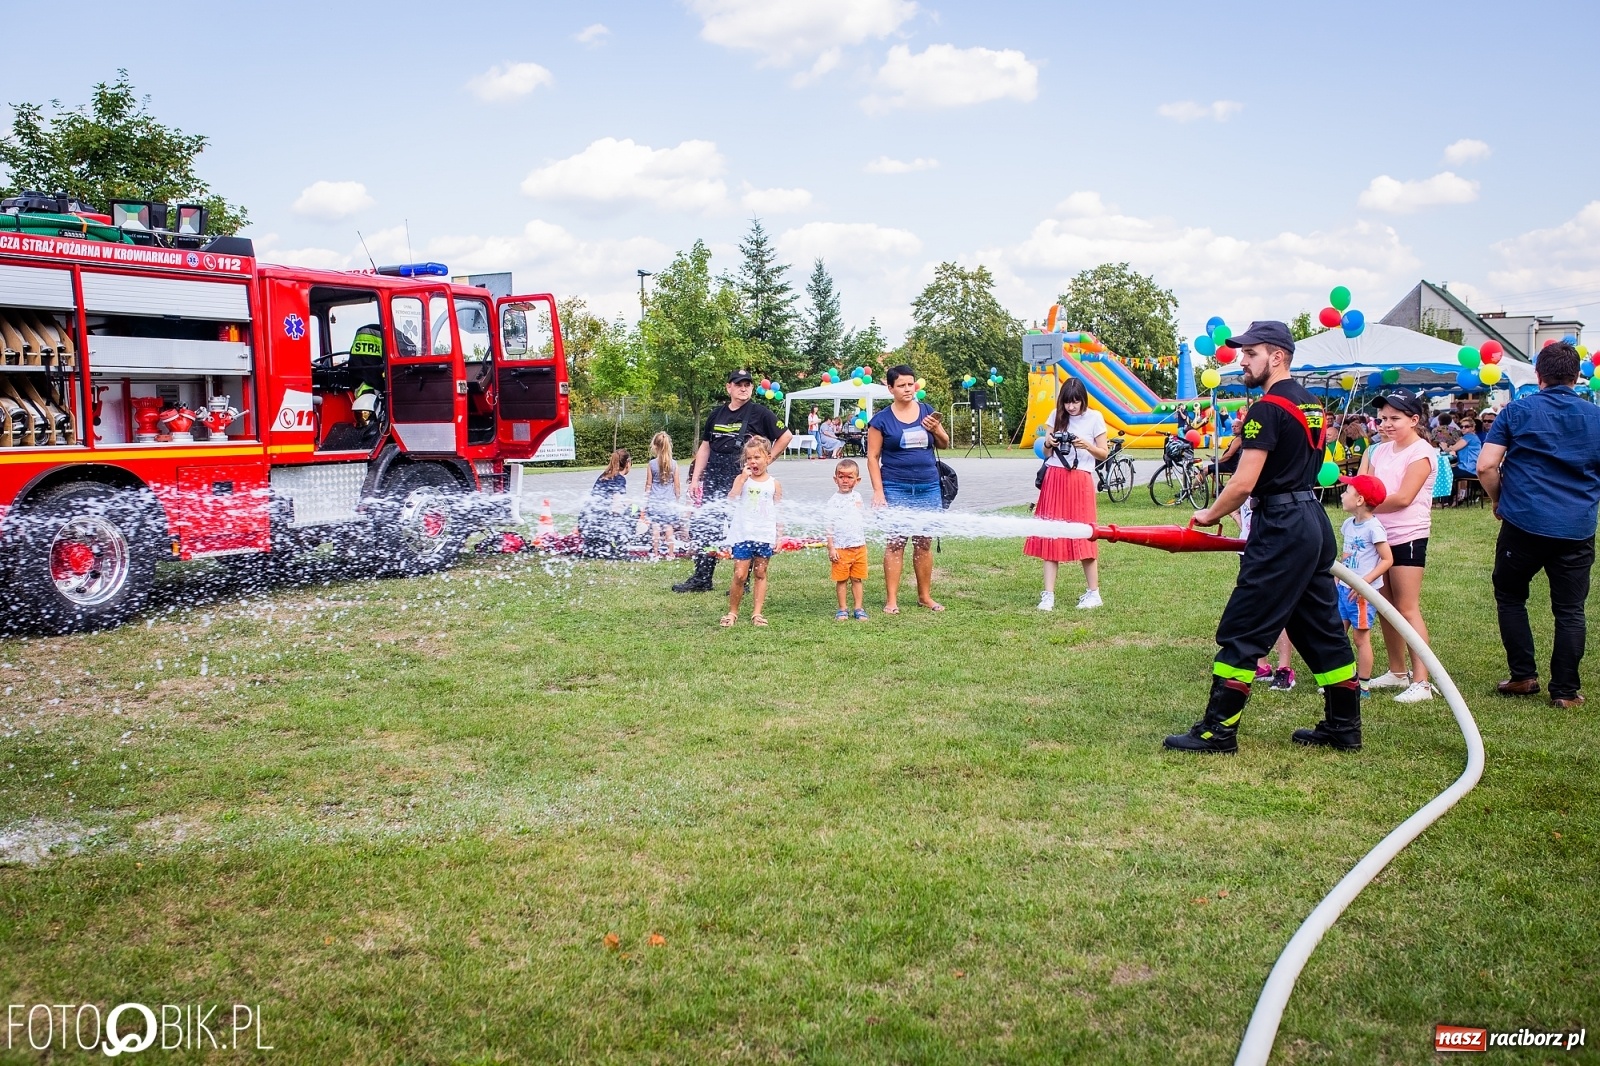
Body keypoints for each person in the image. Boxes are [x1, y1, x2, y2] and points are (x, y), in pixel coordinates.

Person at [1166, 320, 1361, 753]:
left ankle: (1218, 732)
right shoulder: (1312, 406)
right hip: (1312, 523)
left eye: (1250, 354)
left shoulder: (1266, 409)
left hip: (1281, 528)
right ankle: (1343, 728)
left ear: (1276, 356)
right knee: (1323, 630)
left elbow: (1243, 482)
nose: (1241, 360)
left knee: (1243, 629)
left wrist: (1208, 513)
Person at [1478, 341, 1600, 708]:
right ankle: (1565, 691)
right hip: (1577, 527)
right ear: (1577, 376)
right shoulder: (1596, 416)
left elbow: (1485, 465)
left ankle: (1523, 676)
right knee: (1570, 609)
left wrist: (1498, 499)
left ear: (1538, 375)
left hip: (1524, 522)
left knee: (1511, 595)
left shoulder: (1517, 411)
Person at [673, 369, 791, 593]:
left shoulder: (760, 412)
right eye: (738, 384)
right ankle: (702, 578)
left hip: (742, 478)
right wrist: (696, 478)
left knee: (744, 526)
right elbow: (705, 446)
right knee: (705, 526)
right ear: (729, 387)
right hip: (714, 476)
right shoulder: (716, 414)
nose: (743, 388)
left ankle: (743, 581)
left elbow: (786, 436)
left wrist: (766, 460)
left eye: (747, 384)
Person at [1357, 391, 1438, 704]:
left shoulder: (1421, 452)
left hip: (1408, 536)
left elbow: (1403, 497)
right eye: (1382, 418)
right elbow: (1367, 486)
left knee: (1407, 607)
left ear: (1414, 420)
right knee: (1387, 608)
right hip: (1378, 536)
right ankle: (1397, 671)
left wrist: (1367, 504)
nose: (1385, 424)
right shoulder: (1378, 451)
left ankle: (1422, 682)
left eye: (1394, 418)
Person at [867, 364, 950, 614]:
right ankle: (891, 600)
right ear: (890, 388)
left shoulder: (927, 412)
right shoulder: (881, 420)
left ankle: (925, 596)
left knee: (923, 542)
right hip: (895, 486)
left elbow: (945, 444)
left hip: (927, 486)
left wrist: (935, 429)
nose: (907, 389)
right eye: (901, 385)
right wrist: (879, 491)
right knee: (896, 542)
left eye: (910, 384)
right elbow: (872, 457)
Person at [1026, 376, 1107, 610]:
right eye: (1067, 402)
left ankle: (1094, 593)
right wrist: (1049, 443)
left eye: (1076, 402)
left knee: (1086, 535)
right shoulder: (1056, 415)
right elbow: (1045, 452)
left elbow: (1103, 453)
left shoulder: (1095, 418)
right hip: (1055, 477)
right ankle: (1048, 595)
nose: (1071, 407)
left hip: (1080, 479)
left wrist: (1086, 446)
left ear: (1083, 400)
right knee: (1050, 535)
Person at [1335, 474, 1394, 698]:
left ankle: (1363, 686)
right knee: (1337, 634)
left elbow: (1387, 560)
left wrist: (1364, 583)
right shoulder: (1349, 524)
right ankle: (1339, 680)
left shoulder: (1374, 528)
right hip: (1343, 590)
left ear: (1359, 500)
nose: (1342, 495)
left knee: (1361, 639)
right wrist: (1337, 578)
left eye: (1346, 492)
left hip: (1362, 594)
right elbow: (1347, 554)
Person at [720, 437, 783, 628]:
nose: (753, 462)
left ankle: (757, 613)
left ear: (768, 458)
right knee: (740, 574)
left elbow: (779, 511)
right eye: (749, 458)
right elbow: (731, 499)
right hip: (743, 533)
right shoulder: (742, 480)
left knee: (761, 572)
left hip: (764, 534)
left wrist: (779, 535)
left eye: (757, 457)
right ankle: (732, 611)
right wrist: (741, 479)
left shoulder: (774, 484)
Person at [824, 459, 869, 621]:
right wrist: (831, 547)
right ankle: (842, 609)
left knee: (857, 579)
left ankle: (859, 608)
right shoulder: (833, 501)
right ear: (835, 479)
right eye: (841, 476)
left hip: (859, 547)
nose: (845, 480)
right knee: (841, 580)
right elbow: (829, 525)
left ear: (857, 480)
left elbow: (862, 517)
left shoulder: (858, 497)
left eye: (849, 477)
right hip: (841, 548)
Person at [581, 450, 633, 558]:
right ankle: (623, 549)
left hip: (588, 522)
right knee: (633, 510)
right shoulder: (620, 479)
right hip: (602, 523)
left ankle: (595, 546)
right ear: (628, 463)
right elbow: (615, 507)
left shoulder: (603, 476)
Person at [644, 431, 681, 560]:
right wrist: (677, 499)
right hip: (669, 501)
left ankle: (655, 554)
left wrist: (646, 499)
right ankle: (671, 554)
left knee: (655, 527)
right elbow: (677, 485)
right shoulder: (674, 464)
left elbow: (648, 484)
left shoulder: (651, 464)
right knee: (668, 527)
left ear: (655, 446)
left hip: (655, 501)